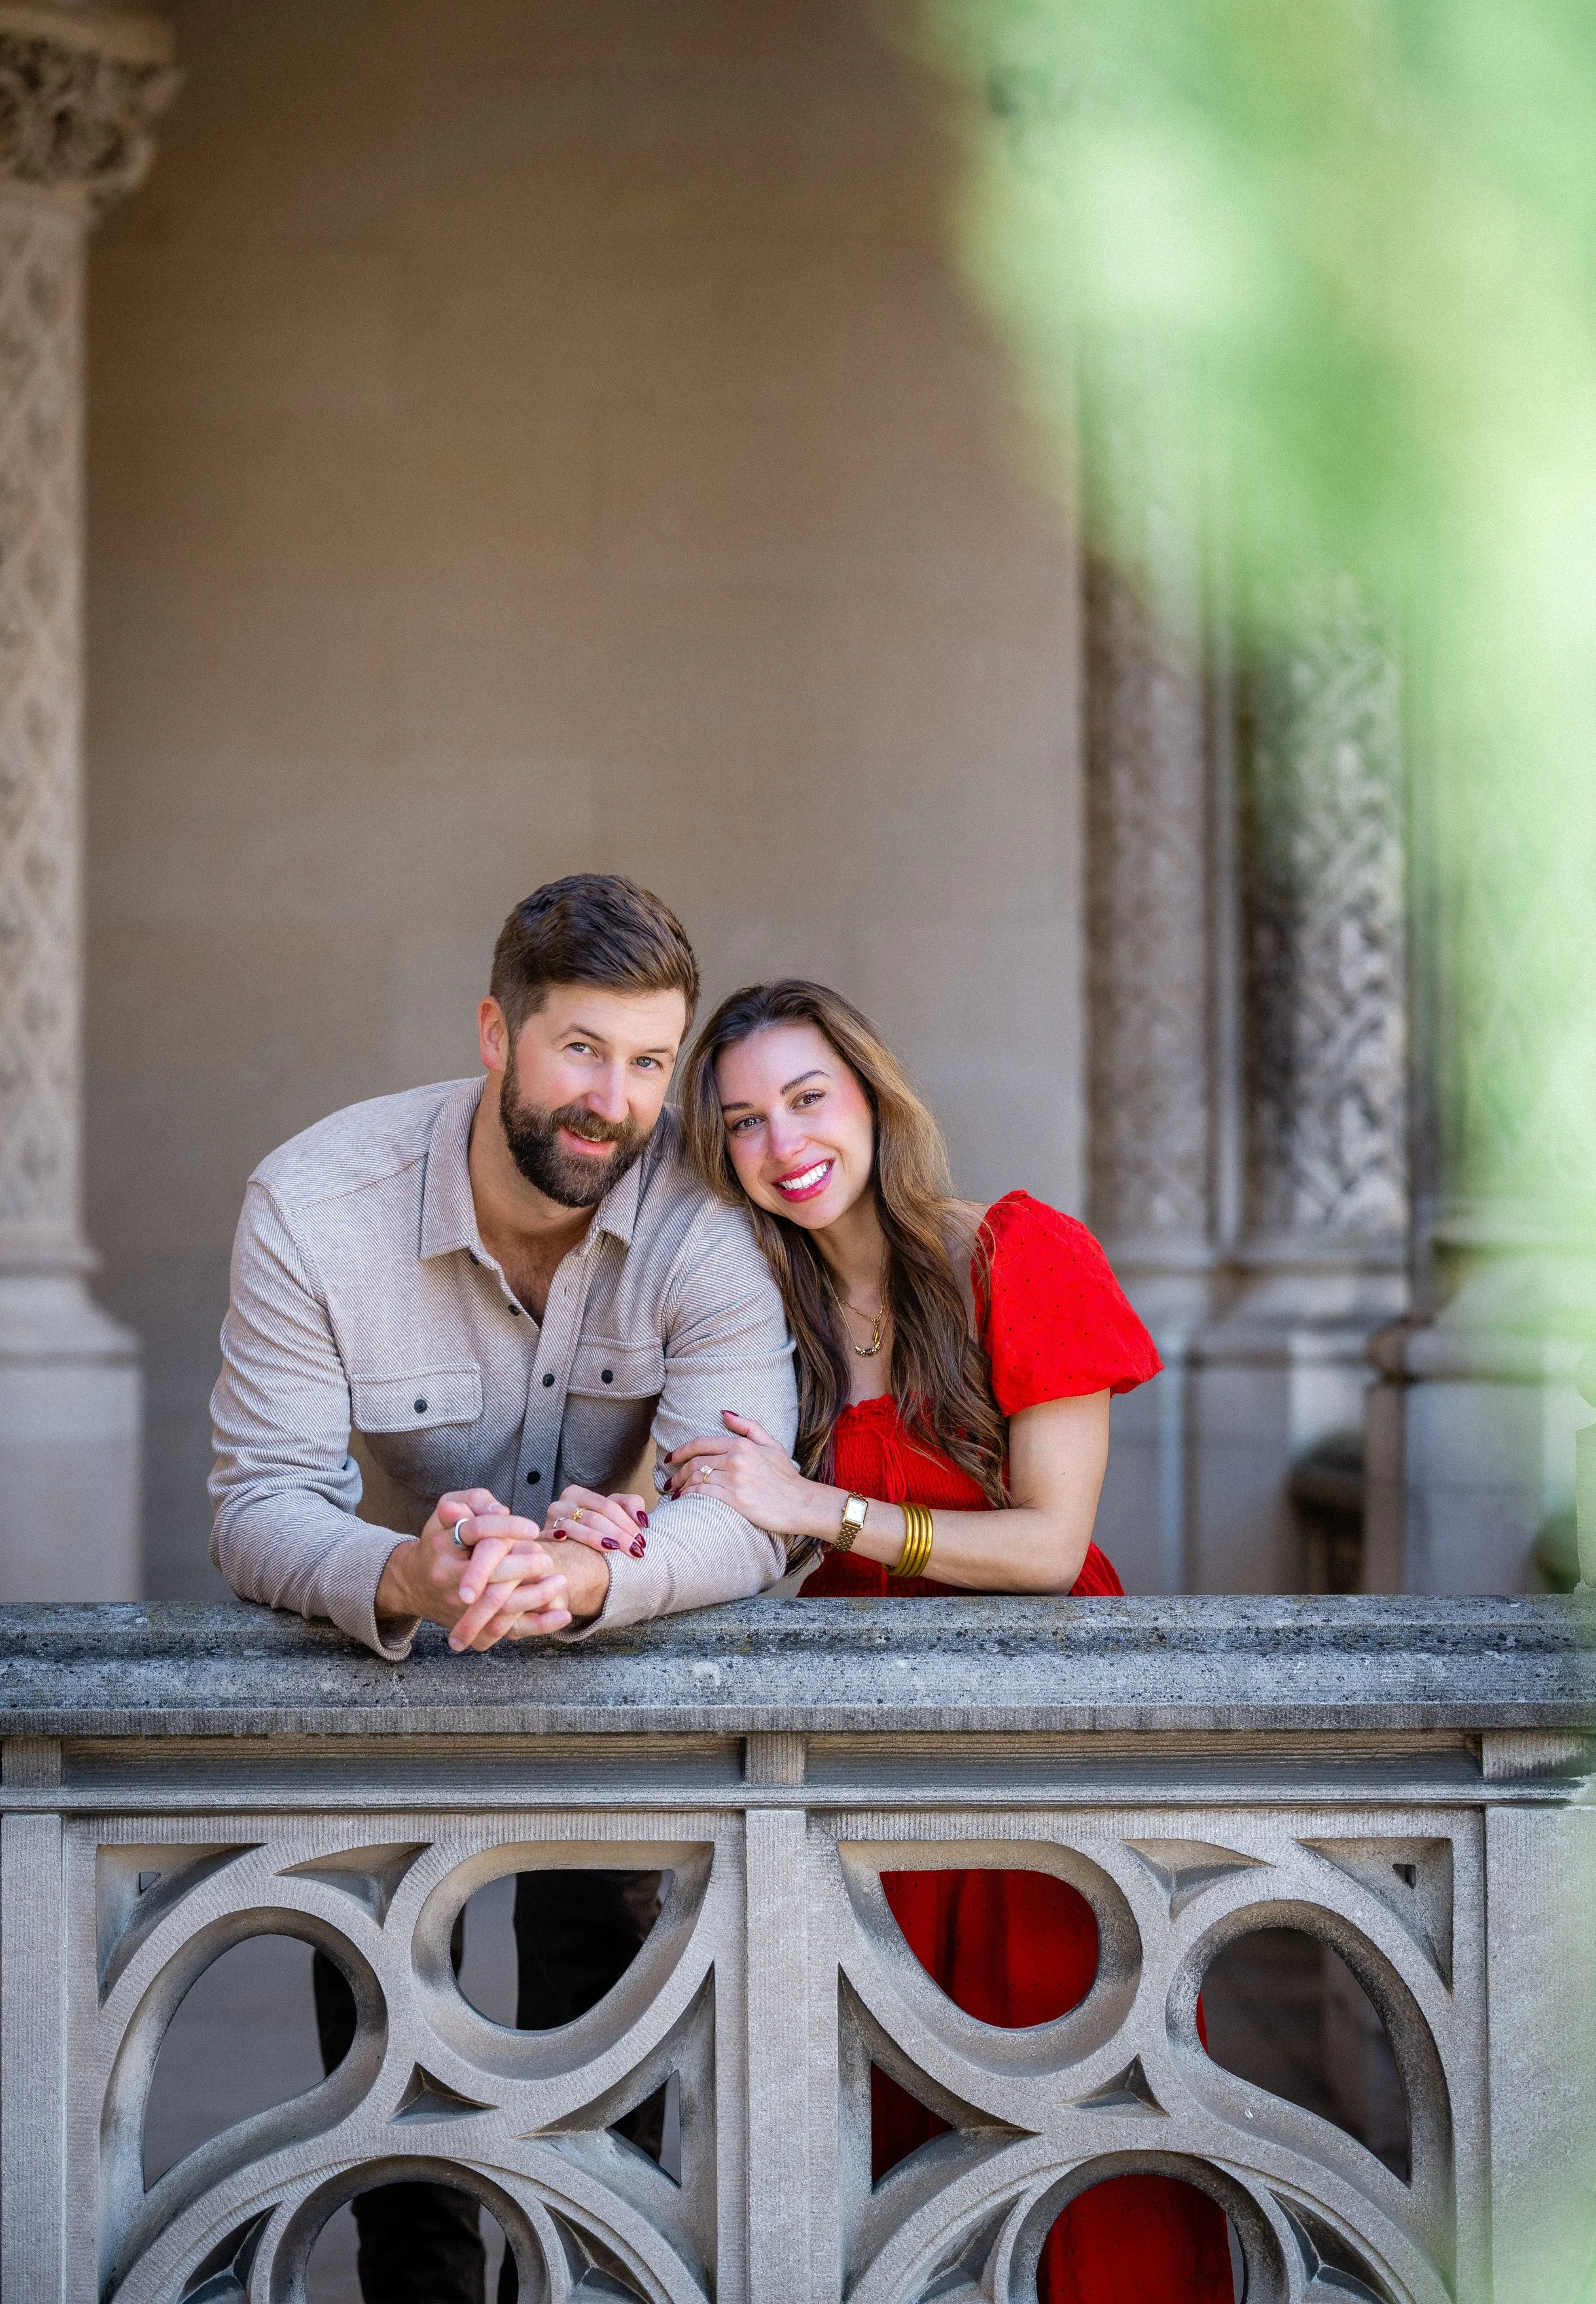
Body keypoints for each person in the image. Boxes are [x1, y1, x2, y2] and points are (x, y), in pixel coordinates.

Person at [207, 875, 801, 2304]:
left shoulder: (701, 1225)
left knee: (606, 2059)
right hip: (399, 1661)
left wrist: (597, 1572)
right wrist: (402, 1568)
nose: (615, 1101)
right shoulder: (313, 1201)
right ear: (497, 1031)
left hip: (613, 1681)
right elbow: (255, 1504)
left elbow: (747, 1517)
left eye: (651, 1062)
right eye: (580, 1050)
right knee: (383, 2011)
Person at [651, 977, 1233, 2303]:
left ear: (868, 1095)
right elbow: (690, 1498)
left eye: (807, 1098)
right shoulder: (753, 1311)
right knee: (873, 2151)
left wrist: (822, 1507)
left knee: (1068, 2121)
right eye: (741, 1122)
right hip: (848, 1768)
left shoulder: (1017, 1253)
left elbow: (1042, 1545)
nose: (783, 1143)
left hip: (1032, 1754)